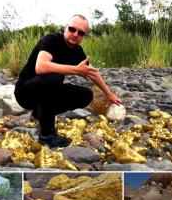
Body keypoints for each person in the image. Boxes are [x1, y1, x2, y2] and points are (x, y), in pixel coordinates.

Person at [15, 14, 123, 148]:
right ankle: (46, 134)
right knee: (53, 77)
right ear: (66, 28)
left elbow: (92, 72)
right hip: (25, 93)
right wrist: (76, 70)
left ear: (84, 35)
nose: (75, 34)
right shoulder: (51, 40)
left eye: (81, 32)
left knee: (85, 95)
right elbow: (41, 67)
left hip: (47, 92)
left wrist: (108, 93)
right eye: (72, 29)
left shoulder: (77, 51)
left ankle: (40, 114)